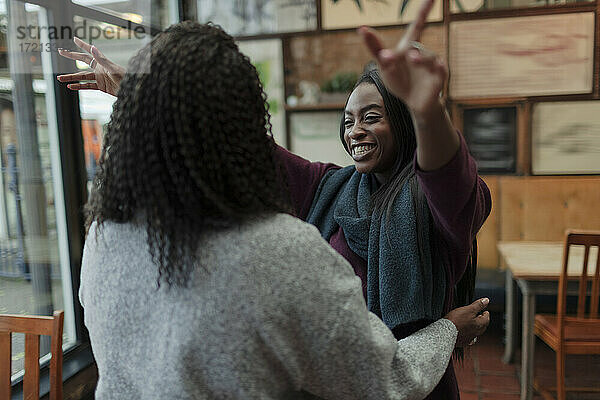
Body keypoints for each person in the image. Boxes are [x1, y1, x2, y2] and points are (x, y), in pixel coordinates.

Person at [61, 1, 491, 398]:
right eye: (348, 121)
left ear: (404, 122)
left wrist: (427, 112)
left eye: (372, 117)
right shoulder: (332, 188)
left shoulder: (438, 202)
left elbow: (445, 175)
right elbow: (240, 144)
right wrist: (148, 97)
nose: (355, 131)